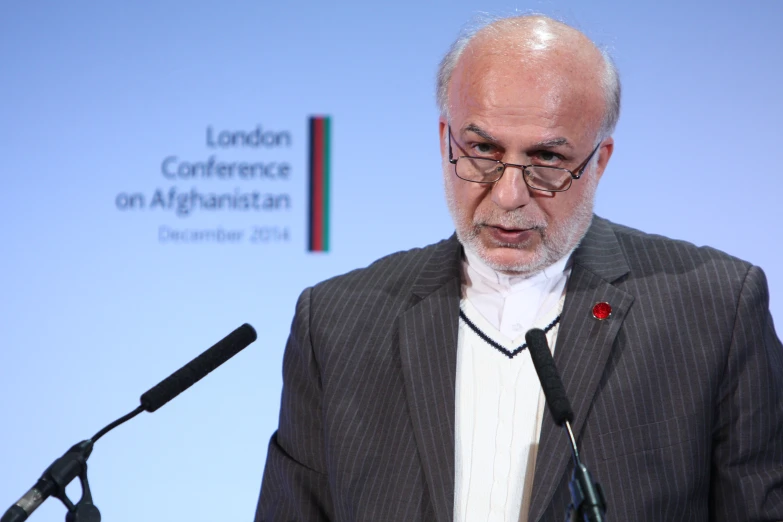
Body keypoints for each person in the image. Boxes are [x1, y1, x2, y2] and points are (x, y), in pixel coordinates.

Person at [255, 14, 783, 522]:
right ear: (445, 140)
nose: (509, 195)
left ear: (600, 160)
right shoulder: (336, 323)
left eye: (548, 160)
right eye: (482, 149)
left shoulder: (714, 312)